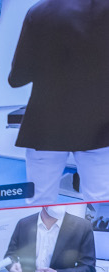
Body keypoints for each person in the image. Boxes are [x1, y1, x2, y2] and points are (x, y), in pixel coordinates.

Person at [9, 0, 109, 206]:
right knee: (102, 206)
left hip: (47, 126)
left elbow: (16, 78)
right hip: (98, 126)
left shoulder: (37, 12)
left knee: (40, 204)